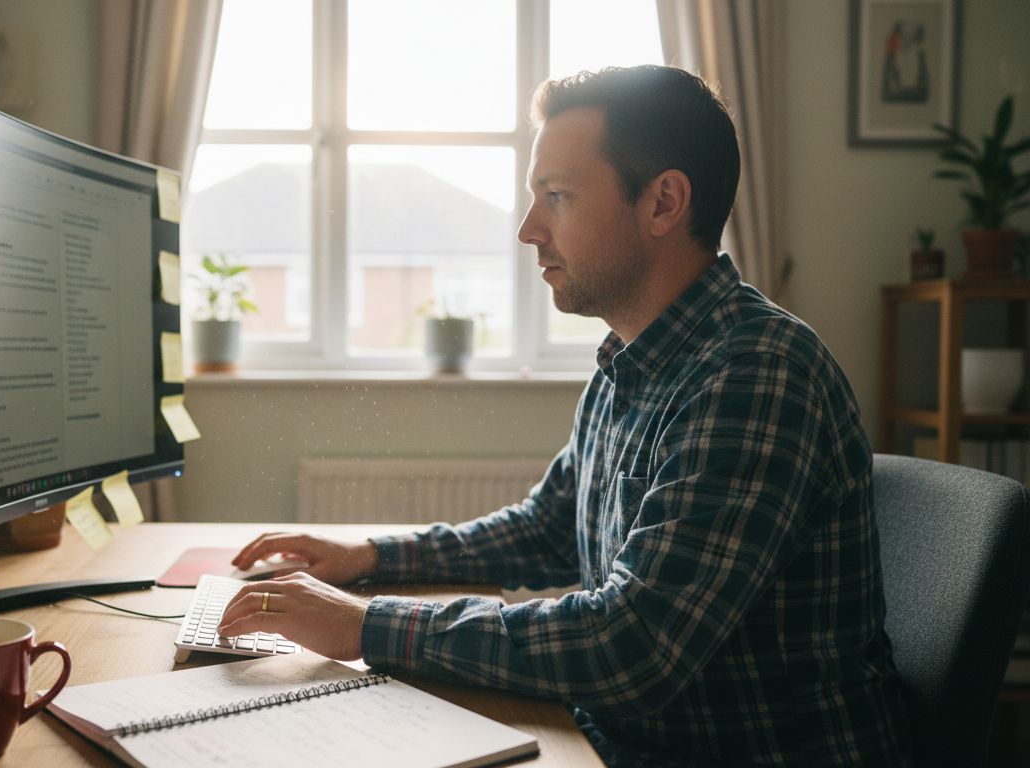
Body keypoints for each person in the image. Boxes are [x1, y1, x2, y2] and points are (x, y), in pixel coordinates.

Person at [218, 65, 911, 766]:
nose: (527, 229)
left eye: (558, 196)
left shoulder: (758, 372)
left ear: (664, 202)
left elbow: (631, 645)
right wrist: (368, 557)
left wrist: (366, 625)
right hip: (621, 742)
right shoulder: (632, 359)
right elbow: (547, 529)